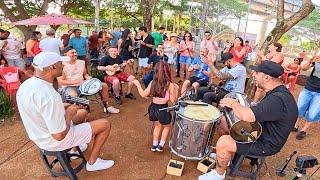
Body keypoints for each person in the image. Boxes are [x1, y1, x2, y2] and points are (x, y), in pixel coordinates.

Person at [198, 61, 298, 180]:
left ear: (267, 77)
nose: (253, 75)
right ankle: (225, 156)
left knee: (224, 142)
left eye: (257, 73)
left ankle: (218, 174)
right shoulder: (277, 92)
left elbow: (248, 116)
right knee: (223, 121)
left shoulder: (278, 99)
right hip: (259, 131)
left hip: (265, 143)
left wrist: (234, 103)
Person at [16, 52, 115, 172]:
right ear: (52, 67)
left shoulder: (26, 85)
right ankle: (92, 162)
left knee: (83, 113)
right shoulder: (49, 95)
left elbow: (40, 109)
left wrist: (64, 106)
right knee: (105, 124)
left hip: (39, 135)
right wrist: (69, 114)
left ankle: (74, 149)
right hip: (54, 141)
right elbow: (59, 136)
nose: (63, 64)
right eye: (60, 62)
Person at [133, 61, 179, 152]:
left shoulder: (152, 82)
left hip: (153, 108)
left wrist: (138, 84)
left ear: (156, 71)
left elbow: (143, 94)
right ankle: (160, 146)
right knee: (166, 126)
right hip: (163, 109)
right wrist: (176, 90)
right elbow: (173, 101)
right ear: (168, 72)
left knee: (157, 126)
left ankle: (154, 145)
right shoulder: (170, 85)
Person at [58, 47, 119, 114]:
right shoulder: (62, 65)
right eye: (72, 53)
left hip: (83, 84)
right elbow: (60, 81)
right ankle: (80, 113)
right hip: (69, 87)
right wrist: (74, 82)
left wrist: (89, 78)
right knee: (73, 95)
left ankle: (107, 106)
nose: (75, 54)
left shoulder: (81, 62)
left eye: (75, 52)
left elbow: (85, 75)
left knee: (103, 85)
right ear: (65, 54)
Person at [294, 54, 320, 140]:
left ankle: (303, 130)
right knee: (300, 108)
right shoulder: (317, 60)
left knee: (313, 113)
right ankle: (295, 125)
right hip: (308, 88)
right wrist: (310, 61)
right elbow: (304, 68)